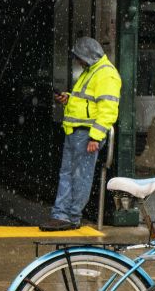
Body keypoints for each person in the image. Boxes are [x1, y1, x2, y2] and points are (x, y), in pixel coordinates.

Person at [41, 37, 121, 231]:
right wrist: (67, 99)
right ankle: (61, 215)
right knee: (70, 174)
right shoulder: (92, 72)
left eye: (79, 57)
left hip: (86, 134)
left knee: (78, 176)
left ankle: (71, 216)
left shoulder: (106, 75)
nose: (78, 61)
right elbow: (88, 103)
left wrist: (96, 136)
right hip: (77, 132)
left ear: (88, 56)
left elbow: (108, 108)